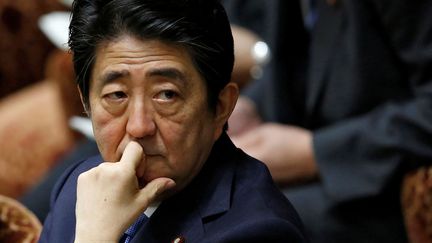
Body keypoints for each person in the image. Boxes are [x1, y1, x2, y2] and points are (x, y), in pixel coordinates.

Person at [38, 0, 308, 242]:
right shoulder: (77, 187)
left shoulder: (258, 232)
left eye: (166, 95)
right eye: (117, 95)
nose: (139, 127)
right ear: (86, 102)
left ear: (221, 107)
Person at [224, 0, 432, 242]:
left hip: (390, 189)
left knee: (244, 222)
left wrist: (313, 153)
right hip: (327, 179)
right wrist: (249, 107)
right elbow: (296, 65)